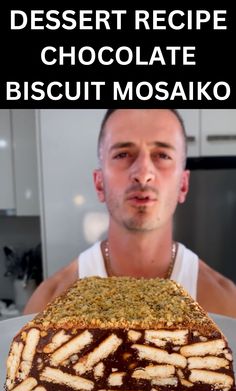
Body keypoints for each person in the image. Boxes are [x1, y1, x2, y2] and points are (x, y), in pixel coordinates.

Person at [23, 109, 236, 318]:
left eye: (162, 155)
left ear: (183, 185)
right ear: (99, 184)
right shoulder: (46, 307)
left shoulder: (225, 307)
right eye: (123, 154)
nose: (143, 174)